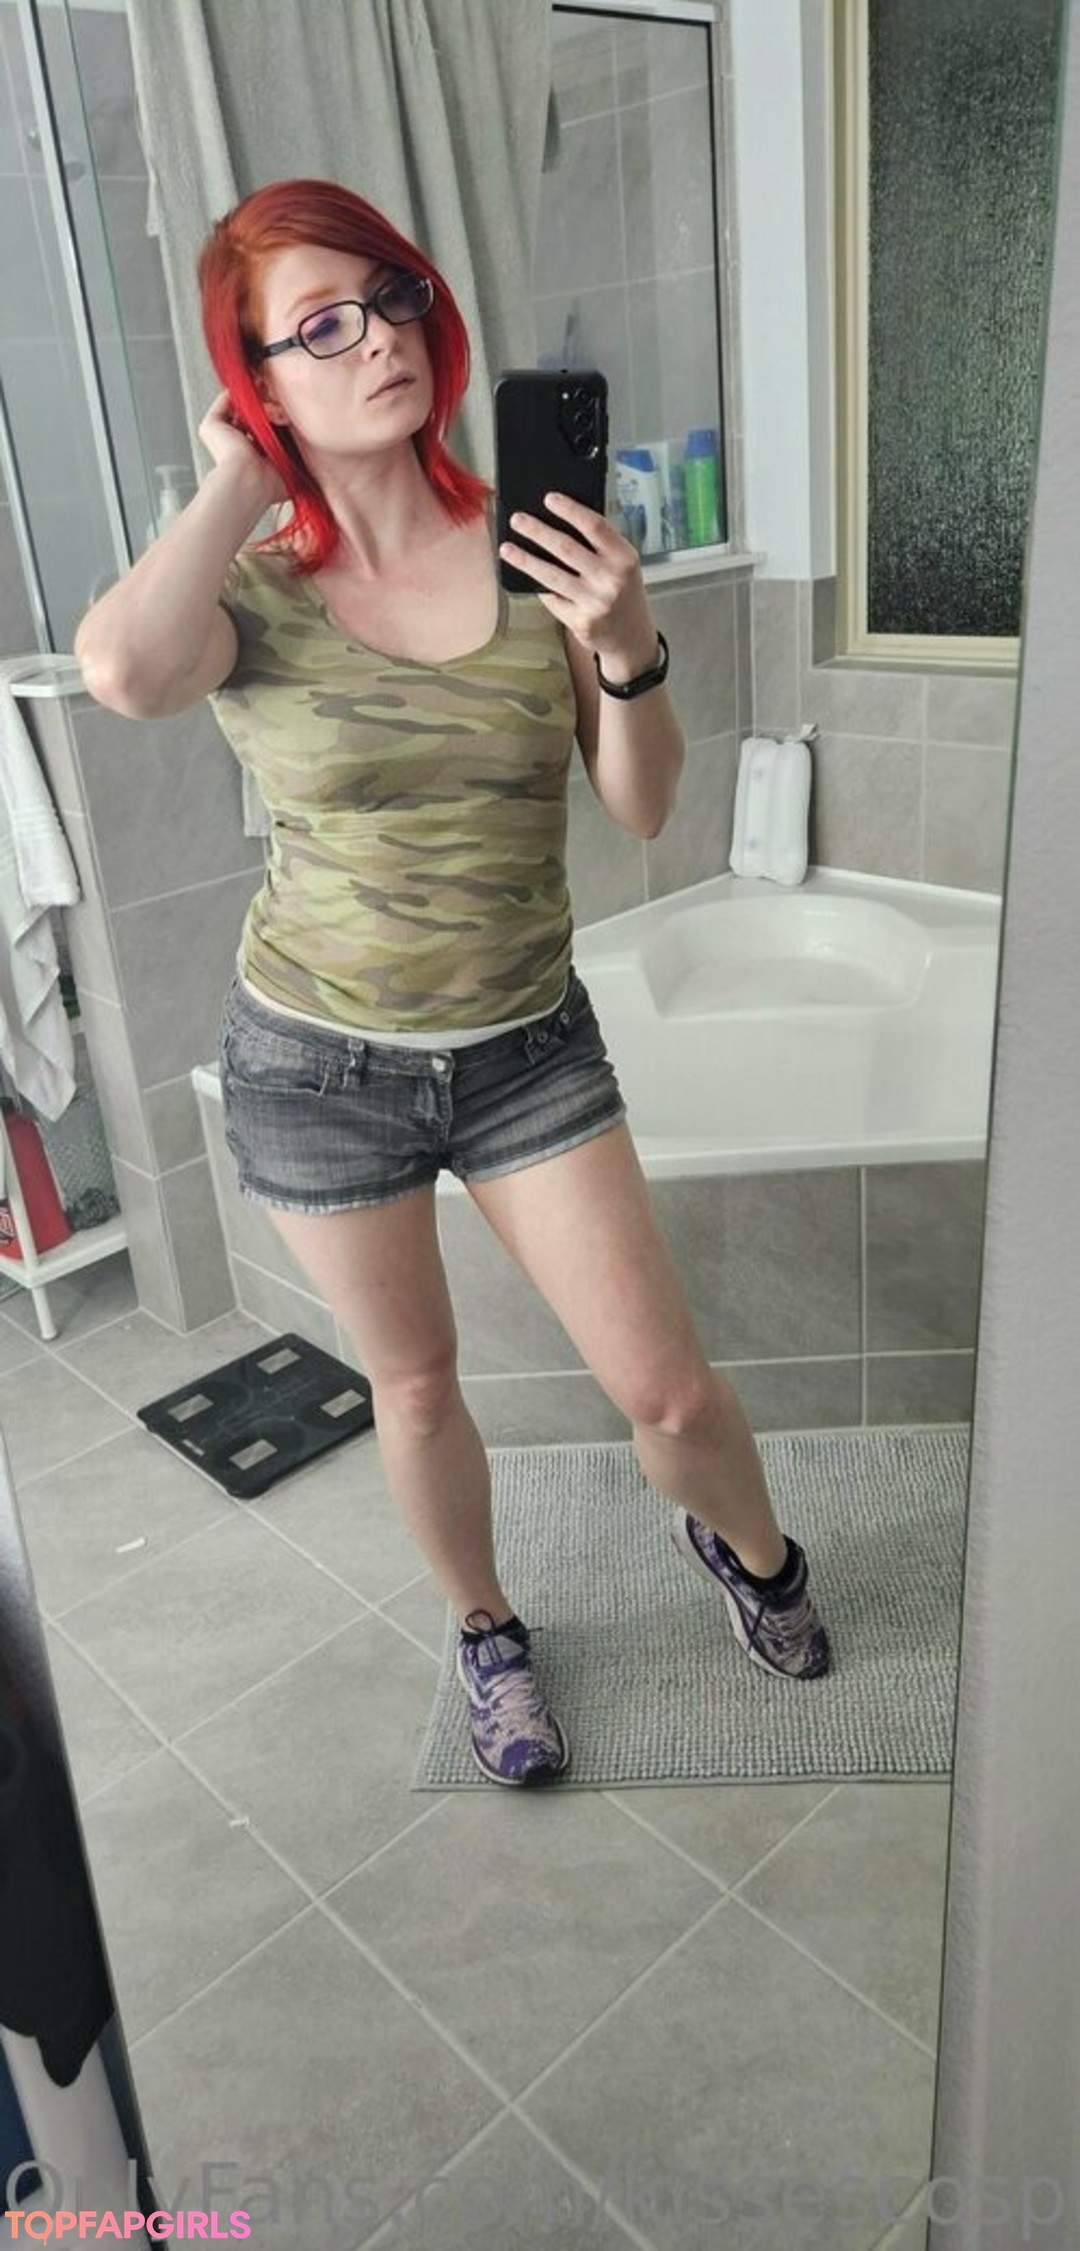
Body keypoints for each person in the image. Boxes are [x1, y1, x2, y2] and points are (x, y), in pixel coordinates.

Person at [75, 178, 829, 1789]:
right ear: (257, 382)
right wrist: (240, 474)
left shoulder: (532, 548)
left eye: (394, 296)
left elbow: (641, 806)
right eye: (320, 327)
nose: (379, 340)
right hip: (315, 1066)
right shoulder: (251, 595)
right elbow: (125, 671)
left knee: (669, 1391)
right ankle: (487, 1630)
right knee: (415, 1393)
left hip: (526, 1051)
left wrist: (623, 635)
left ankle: (755, 1554)